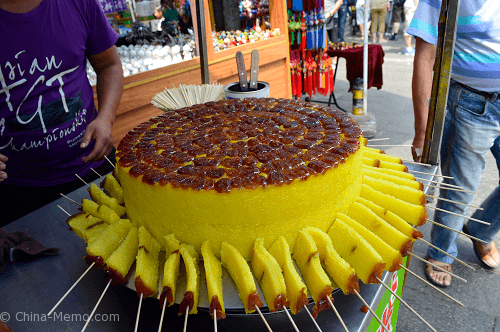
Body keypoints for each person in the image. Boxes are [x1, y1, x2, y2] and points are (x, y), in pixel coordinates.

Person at [0, 0, 124, 226]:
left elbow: (110, 66)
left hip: (94, 165)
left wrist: (105, 119)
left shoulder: (78, 3)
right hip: (16, 189)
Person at [408, 0, 500, 288]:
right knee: (459, 188)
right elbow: (425, 57)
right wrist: (422, 130)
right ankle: (441, 252)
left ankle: (481, 231)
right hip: (471, 104)